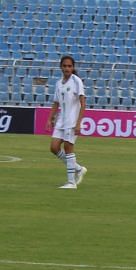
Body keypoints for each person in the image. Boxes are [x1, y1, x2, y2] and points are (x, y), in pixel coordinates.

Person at [46, 55, 87, 190]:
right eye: (65, 66)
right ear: (61, 67)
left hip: (72, 121)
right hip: (61, 121)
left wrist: (79, 122)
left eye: (69, 66)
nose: (67, 68)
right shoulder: (58, 83)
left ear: (73, 67)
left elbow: (82, 103)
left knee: (68, 148)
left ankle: (71, 182)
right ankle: (78, 168)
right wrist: (50, 118)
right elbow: (56, 103)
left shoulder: (76, 81)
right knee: (54, 147)